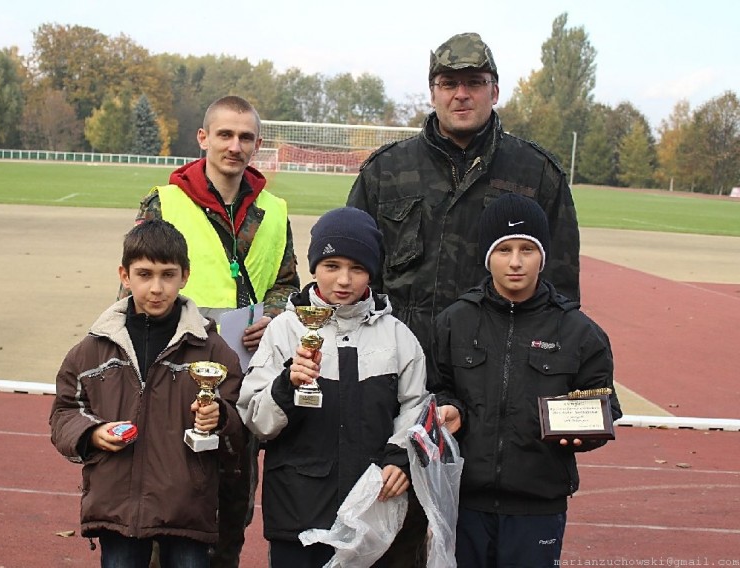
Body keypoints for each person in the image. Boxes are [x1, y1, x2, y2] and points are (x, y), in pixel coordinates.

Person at [346, 32, 581, 564]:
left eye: (474, 82)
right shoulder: (386, 172)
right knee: (391, 541)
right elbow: (352, 279)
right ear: (431, 91)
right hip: (396, 388)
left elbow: (562, 298)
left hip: (493, 401)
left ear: (495, 90)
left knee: (478, 546)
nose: (461, 94)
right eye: (448, 83)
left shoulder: (535, 174)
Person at [122, 95, 300, 567]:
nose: (234, 146)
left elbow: (287, 283)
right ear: (203, 138)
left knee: (231, 508)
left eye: (245, 137)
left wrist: (273, 316)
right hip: (173, 379)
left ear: (257, 144)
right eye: (225, 134)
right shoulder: (164, 202)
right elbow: (134, 291)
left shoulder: (274, 211)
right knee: (166, 504)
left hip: (243, 380)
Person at [429, 192, 622, 566]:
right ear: (488, 255)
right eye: (504, 250)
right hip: (465, 503)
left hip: (539, 507)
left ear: (542, 256)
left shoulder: (579, 332)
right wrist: (449, 408)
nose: (515, 262)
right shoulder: (454, 322)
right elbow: (437, 388)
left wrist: (586, 435)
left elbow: (604, 404)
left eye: (527, 250)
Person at [237, 207, 429, 567]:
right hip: (298, 514)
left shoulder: (398, 336)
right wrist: (286, 385)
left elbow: (416, 409)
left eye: (357, 268)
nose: (344, 280)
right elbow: (256, 420)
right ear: (314, 268)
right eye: (331, 266)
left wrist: (400, 458)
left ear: (372, 272)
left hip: (373, 518)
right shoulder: (284, 330)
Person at [50, 219, 245, 567]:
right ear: (124, 276)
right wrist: (92, 433)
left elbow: (240, 420)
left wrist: (220, 417)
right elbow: (65, 410)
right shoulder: (93, 350)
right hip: (118, 510)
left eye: (168, 275)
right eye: (144, 274)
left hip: (187, 510)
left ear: (185, 276)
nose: (156, 288)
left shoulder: (213, 350)